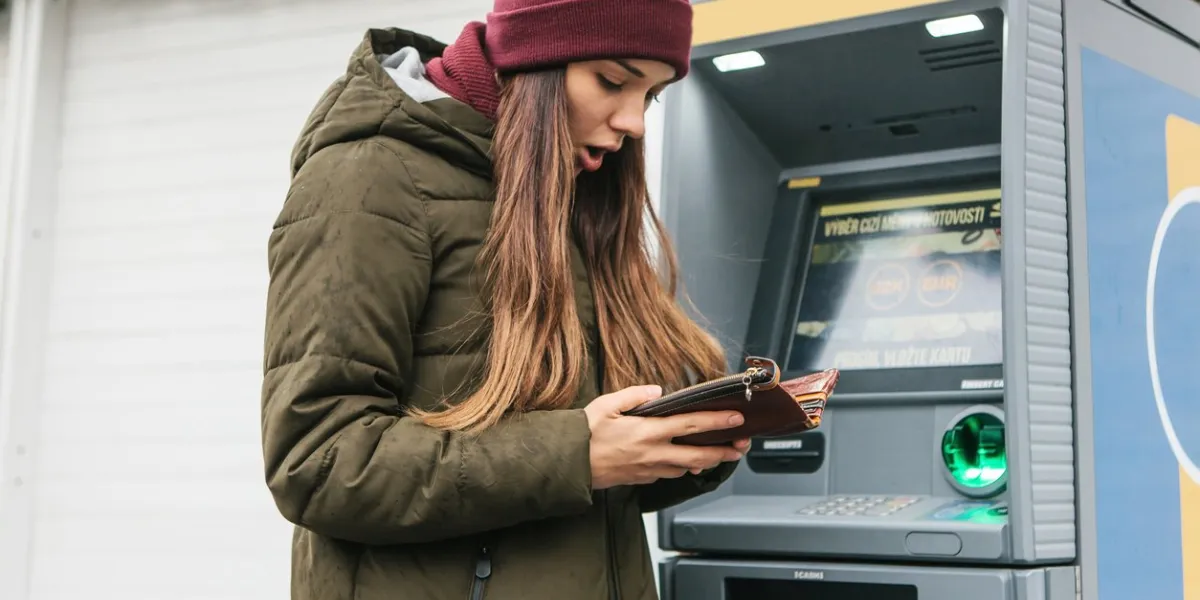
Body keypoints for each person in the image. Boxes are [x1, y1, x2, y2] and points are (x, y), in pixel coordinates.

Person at [260, 1, 752, 598]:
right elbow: (317, 462)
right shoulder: (370, 177)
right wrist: (576, 454)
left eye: (650, 95)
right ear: (534, 59)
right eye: (612, 81)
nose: (634, 123)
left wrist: (680, 446)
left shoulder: (568, 188)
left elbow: (579, 480)